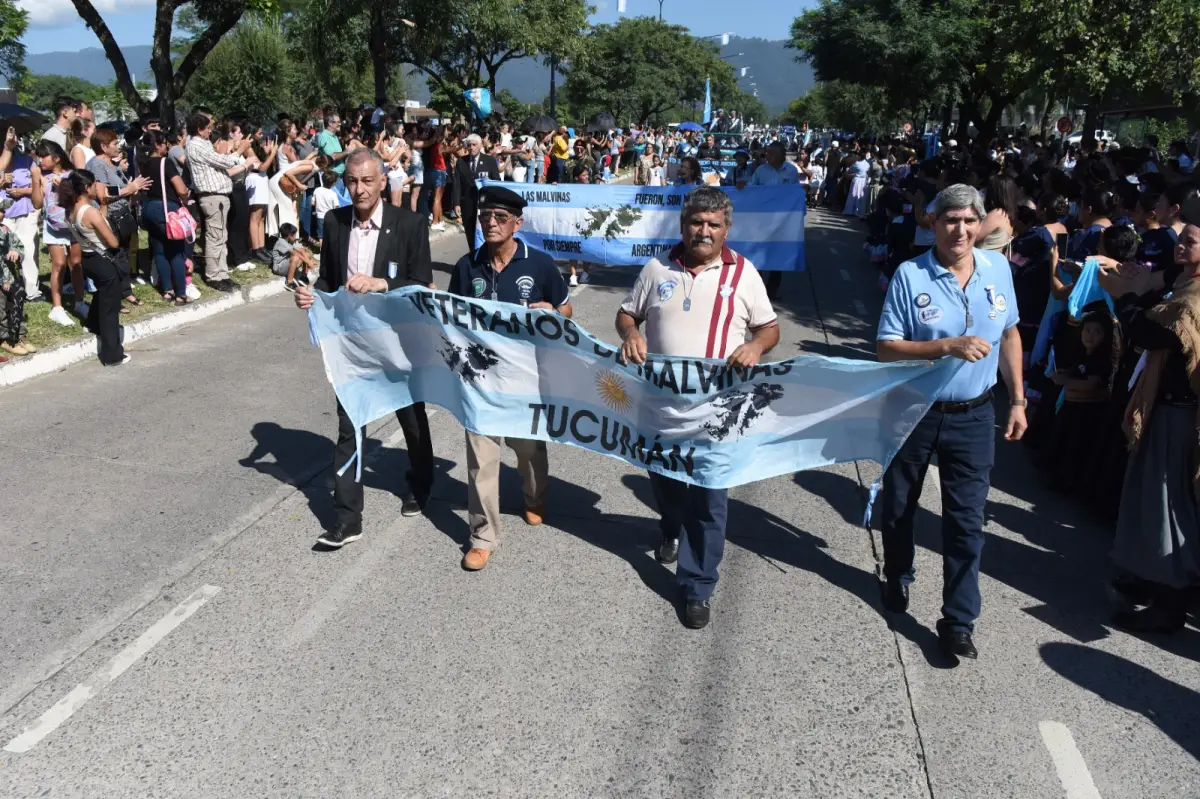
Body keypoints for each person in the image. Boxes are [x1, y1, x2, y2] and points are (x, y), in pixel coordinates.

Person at [876, 183, 1028, 661]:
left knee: (966, 522)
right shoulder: (910, 274)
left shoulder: (997, 269)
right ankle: (898, 573)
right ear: (933, 223)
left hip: (975, 416)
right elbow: (886, 348)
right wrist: (946, 346)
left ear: (980, 225)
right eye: (950, 220)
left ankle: (958, 620)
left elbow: (1009, 336)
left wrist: (1018, 400)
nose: (959, 230)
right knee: (899, 507)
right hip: (914, 412)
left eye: (968, 221)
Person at [616, 186, 779, 629]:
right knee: (667, 485)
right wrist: (631, 333)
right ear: (682, 224)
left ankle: (697, 586)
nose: (703, 231)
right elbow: (627, 313)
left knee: (708, 498)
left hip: (717, 413)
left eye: (713, 224)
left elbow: (769, 329)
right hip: (661, 409)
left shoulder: (744, 273)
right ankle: (670, 526)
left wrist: (756, 347)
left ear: (727, 229)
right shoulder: (657, 268)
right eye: (696, 222)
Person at [292, 148, 435, 549]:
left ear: (383, 182)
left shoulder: (410, 223)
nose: (359, 190)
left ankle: (421, 482)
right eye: (352, 181)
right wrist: (311, 294)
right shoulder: (335, 222)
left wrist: (381, 283)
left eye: (368, 181)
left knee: (411, 419)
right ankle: (347, 518)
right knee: (348, 425)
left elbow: (422, 283)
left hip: (398, 343)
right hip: (352, 346)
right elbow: (328, 279)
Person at [447, 185, 572, 572]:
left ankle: (535, 497)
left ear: (518, 223)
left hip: (524, 379)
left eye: (500, 217)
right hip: (480, 381)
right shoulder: (467, 265)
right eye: (485, 217)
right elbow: (451, 314)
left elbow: (566, 309)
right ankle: (483, 535)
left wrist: (553, 312)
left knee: (529, 452)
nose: (491, 223)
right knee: (481, 460)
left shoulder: (540, 265)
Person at [1099, 219, 1200, 633]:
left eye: (1191, 241)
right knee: (1147, 496)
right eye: (1182, 239)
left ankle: (1170, 602)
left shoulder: (1195, 296)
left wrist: (1125, 298)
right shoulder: (1184, 282)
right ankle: (1148, 578)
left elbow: (1154, 334)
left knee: (1167, 504)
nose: (1181, 246)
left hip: (1179, 413)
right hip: (1163, 407)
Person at [59, 170, 128, 366]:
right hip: (104, 261)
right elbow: (113, 242)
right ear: (86, 187)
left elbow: (94, 228)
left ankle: (92, 324)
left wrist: (103, 204)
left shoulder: (71, 209)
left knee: (102, 295)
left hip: (89, 258)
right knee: (110, 308)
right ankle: (112, 355)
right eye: (94, 184)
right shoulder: (90, 212)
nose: (97, 187)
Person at [185, 113, 258, 292]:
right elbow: (222, 161)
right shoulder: (195, 145)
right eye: (208, 128)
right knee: (214, 238)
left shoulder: (204, 144)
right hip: (211, 196)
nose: (210, 131)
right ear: (199, 129)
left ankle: (223, 273)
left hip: (221, 196)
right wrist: (240, 151)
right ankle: (213, 275)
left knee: (221, 237)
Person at [32, 140, 87, 326]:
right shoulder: (43, 177)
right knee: (59, 264)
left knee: (76, 264)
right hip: (53, 227)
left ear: (56, 158)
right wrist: (36, 180)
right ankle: (57, 308)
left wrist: (64, 185)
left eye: (43, 156)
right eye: (39, 156)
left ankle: (79, 302)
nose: (40, 160)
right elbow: (37, 204)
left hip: (73, 225)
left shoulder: (71, 174)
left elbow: (81, 197)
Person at [138, 130, 192, 305]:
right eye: (164, 144)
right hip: (167, 208)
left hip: (149, 208)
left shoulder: (143, 163)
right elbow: (181, 189)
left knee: (159, 251)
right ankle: (181, 293)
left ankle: (167, 290)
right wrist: (185, 197)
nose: (167, 147)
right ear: (158, 145)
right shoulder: (165, 162)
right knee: (176, 251)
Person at [1, 127, 44, 302]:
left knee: (29, 250)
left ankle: (32, 291)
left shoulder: (26, 160)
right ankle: (7, 287)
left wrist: (23, 191)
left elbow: (38, 184)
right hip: (4, 215)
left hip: (25, 212)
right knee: (4, 252)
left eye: (15, 135)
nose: (14, 138)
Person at [453, 134, 501, 259]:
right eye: (469, 145)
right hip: (467, 203)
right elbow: (457, 184)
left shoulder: (490, 161)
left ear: (480, 146)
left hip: (485, 204)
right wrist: (456, 203)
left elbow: (497, 182)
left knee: (486, 232)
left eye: (474, 145)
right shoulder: (461, 162)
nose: (471, 147)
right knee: (470, 232)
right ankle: (474, 257)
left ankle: (488, 258)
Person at [0, 196, 33, 356]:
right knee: (2, 309)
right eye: (0, 210)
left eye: (3, 210)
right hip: (3, 278)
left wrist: (16, 252)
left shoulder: (5, 229)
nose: (2, 214)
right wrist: (4, 279)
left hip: (10, 275)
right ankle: (5, 340)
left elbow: (18, 245)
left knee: (16, 306)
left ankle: (19, 335)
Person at [312, 170, 339, 246]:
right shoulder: (333, 194)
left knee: (321, 236)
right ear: (334, 183)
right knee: (330, 234)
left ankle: (322, 251)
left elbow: (312, 203)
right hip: (330, 217)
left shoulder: (317, 190)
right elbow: (336, 207)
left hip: (319, 217)